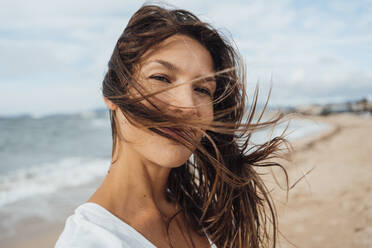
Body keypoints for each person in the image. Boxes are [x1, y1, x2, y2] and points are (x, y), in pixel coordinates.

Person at [55, 3, 287, 248]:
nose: (187, 106)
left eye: (202, 89)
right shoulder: (89, 241)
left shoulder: (207, 215)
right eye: (161, 78)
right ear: (114, 92)